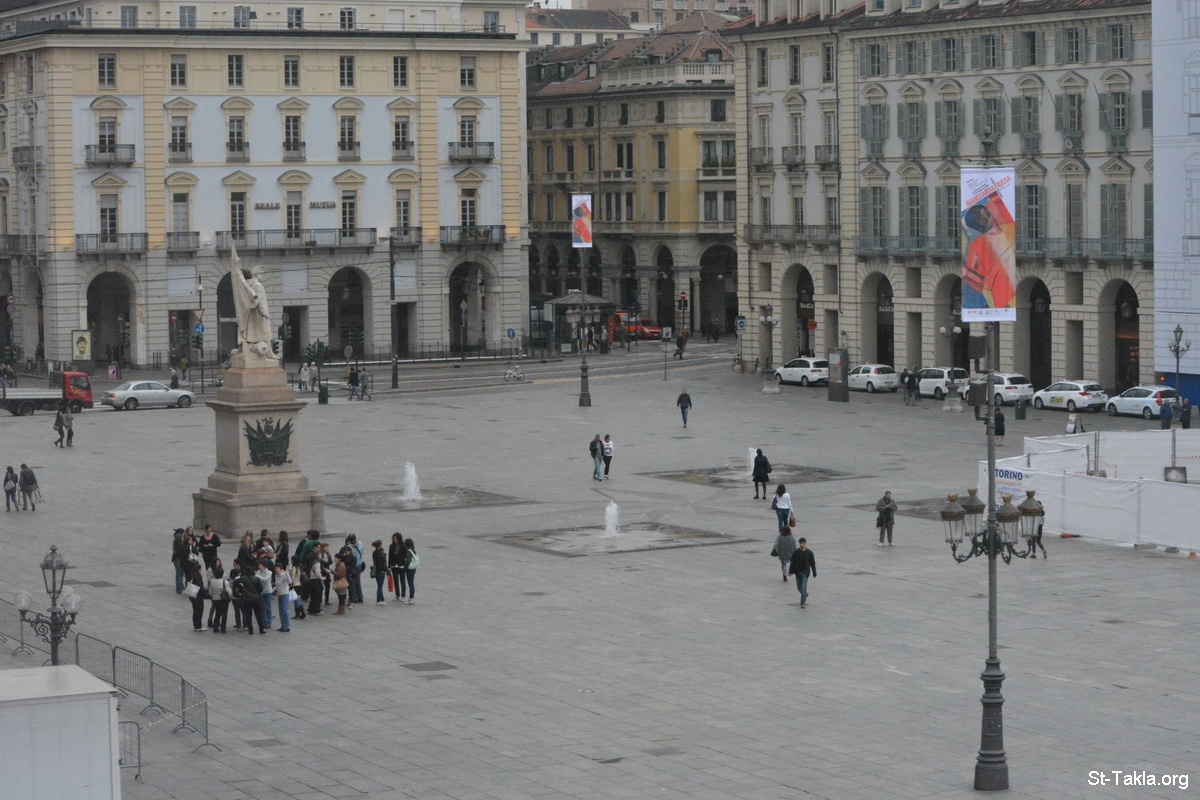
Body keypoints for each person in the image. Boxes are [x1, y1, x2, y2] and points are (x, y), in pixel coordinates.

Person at [230, 246, 272, 358]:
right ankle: (269, 353)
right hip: (259, 315)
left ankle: (249, 350)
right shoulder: (258, 285)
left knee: (253, 335)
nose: (262, 275)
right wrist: (265, 313)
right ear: (258, 274)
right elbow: (259, 300)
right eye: (261, 273)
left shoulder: (249, 284)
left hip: (251, 316)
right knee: (265, 334)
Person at [788, 538, 817, 608]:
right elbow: (792, 563)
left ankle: (802, 602)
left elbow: (812, 563)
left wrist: (814, 572)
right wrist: (790, 571)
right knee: (799, 587)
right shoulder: (796, 552)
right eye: (800, 543)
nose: (801, 545)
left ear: (805, 543)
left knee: (803, 587)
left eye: (803, 543)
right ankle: (805, 594)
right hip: (798, 572)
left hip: (805, 572)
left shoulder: (809, 553)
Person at [183, 561, 208, 631]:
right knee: (199, 611)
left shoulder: (191, 575)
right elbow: (200, 587)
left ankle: (196, 625)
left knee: (195, 611)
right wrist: (205, 593)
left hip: (192, 596)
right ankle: (198, 626)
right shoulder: (198, 576)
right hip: (198, 596)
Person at [207, 564, 231, 633]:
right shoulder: (225, 582)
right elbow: (229, 592)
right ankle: (223, 628)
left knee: (217, 613)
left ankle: (215, 627)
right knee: (224, 614)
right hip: (223, 600)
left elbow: (210, 592)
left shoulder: (212, 582)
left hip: (215, 599)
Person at [272, 562, 292, 632]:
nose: (276, 570)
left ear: (281, 569)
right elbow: (277, 585)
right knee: (281, 611)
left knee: (285, 610)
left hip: (285, 594)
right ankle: (283, 625)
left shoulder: (284, 575)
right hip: (279, 594)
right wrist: (273, 590)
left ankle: (286, 626)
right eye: (275, 568)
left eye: (278, 568)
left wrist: (286, 573)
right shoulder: (276, 576)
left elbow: (290, 581)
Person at [388, 533, 408, 602]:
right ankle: (397, 595)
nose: (395, 540)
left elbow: (406, 556)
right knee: (395, 581)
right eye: (394, 538)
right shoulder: (391, 546)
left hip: (401, 565)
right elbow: (390, 556)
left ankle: (403, 595)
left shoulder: (403, 546)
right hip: (394, 566)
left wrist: (405, 565)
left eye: (396, 538)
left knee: (402, 581)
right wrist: (389, 565)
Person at [172, 528, 192, 594]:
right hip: (178, 561)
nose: (183, 536)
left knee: (179, 574)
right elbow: (179, 552)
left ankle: (180, 586)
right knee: (179, 575)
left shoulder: (178, 541)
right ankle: (179, 589)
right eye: (183, 534)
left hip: (178, 560)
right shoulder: (178, 542)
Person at [256, 560, 274, 630]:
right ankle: (264, 622)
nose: (259, 566)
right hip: (261, 592)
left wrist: (257, 576)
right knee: (262, 608)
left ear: (264, 566)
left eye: (260, 565)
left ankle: (268, 622)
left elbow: (265, 579)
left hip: (268, 591)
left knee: (268, 608)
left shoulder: (269, 572)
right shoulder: (258, 572)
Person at [401, 538, 418, 604]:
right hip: (414, 568)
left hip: (410, 569)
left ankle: (411, 598)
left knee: (410, 583)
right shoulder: (413, 550)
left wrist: (405, 569)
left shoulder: (409, 551)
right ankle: (411, 598)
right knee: (412, 583)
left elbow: (407, 561)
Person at [371, 539, 388, 604]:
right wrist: (387, 571)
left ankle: (382, 599)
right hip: (381, 571)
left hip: (376, 571)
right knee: (380, 586)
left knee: (379, 585)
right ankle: (378, 600)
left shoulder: (374, 552)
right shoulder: (382, 553)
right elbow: (384, 564)